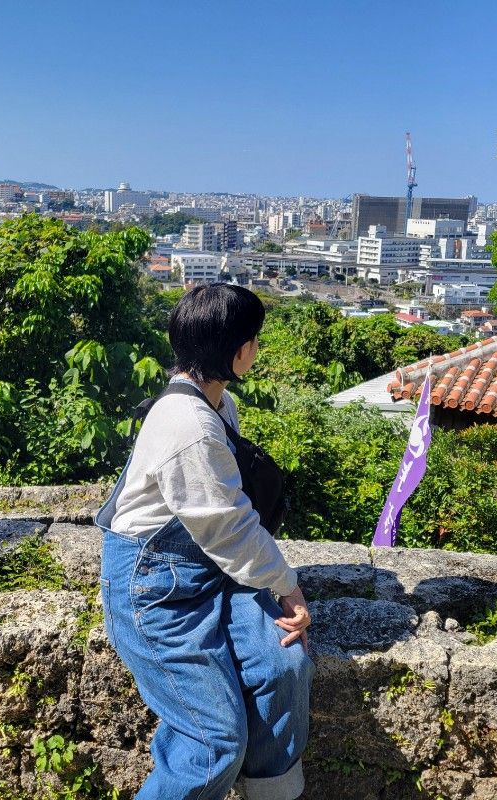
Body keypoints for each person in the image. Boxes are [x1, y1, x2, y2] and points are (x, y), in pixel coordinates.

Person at [96, 283, 314, 800]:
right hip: (157, 586)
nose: (256, 349)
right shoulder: (188, 424)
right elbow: (229, 529)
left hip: (212, 567)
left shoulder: (219, 404)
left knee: (284, 665)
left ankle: (272, 793)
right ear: (238, 350)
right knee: (213, 739)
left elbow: (225, 526)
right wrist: (290, 588)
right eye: (254, 340)